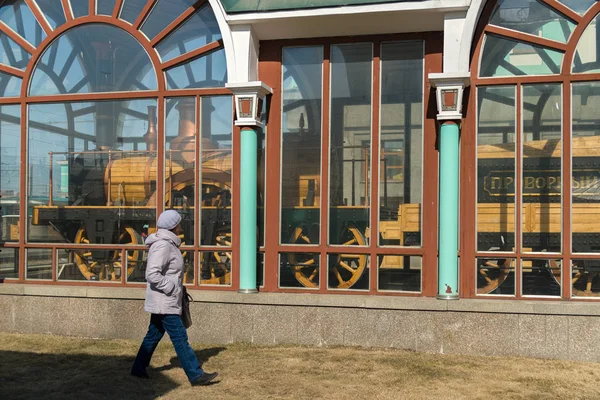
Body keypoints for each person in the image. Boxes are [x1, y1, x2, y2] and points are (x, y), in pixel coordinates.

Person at [131, 209, 218, 386]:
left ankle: (138, 368)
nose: (180, 227)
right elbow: (152, 274)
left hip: (165, 300)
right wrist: (171, 288)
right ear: (175, 226)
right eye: (179, 223)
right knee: (180, 337)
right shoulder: (164, 245)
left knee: (153, 335)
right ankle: (195, 375)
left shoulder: (168, 244)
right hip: (165, 300)